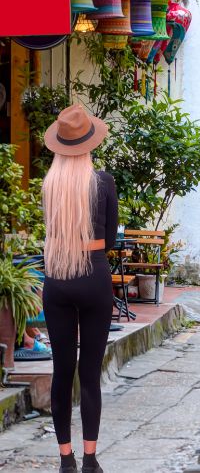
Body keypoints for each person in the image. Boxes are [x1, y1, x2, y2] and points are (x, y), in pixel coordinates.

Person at [42, 105, 117, 473]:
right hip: (94, 277)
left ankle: (64, 459)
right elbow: (111, 240)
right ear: (88, 143)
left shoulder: (49, 184)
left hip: (57, 279)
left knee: (61, 371)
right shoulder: (102, 182)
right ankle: (90, 458)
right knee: (89, 373)